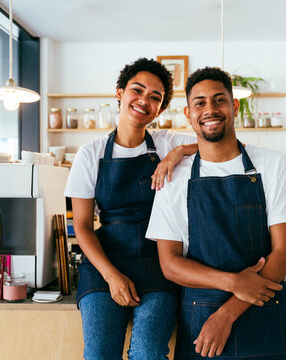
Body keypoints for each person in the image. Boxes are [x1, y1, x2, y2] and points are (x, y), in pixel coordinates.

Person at [146, 67, 286, 359]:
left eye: (219, 100)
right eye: (200, 103)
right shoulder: (173, 179)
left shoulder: (272, 165)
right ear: (188, 113)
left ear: (234, 106)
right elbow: (170, 264)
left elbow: (284, 254)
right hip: (200, 323)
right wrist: (235, 282)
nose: (210, 109)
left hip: (262, 313)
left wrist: (227, 314)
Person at [64, 57, 197, 360]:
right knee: (99, 354)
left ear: (161, 109)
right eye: (137, 90)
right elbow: (82, 226)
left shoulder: (166, 143)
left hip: (159, 262)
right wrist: (112, 276)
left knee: (148, 354)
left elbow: (222, 142)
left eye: (155, 97)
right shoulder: (90, 154)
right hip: (104, 264)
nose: (144, 101)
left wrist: (177, 153)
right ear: (120, 92)